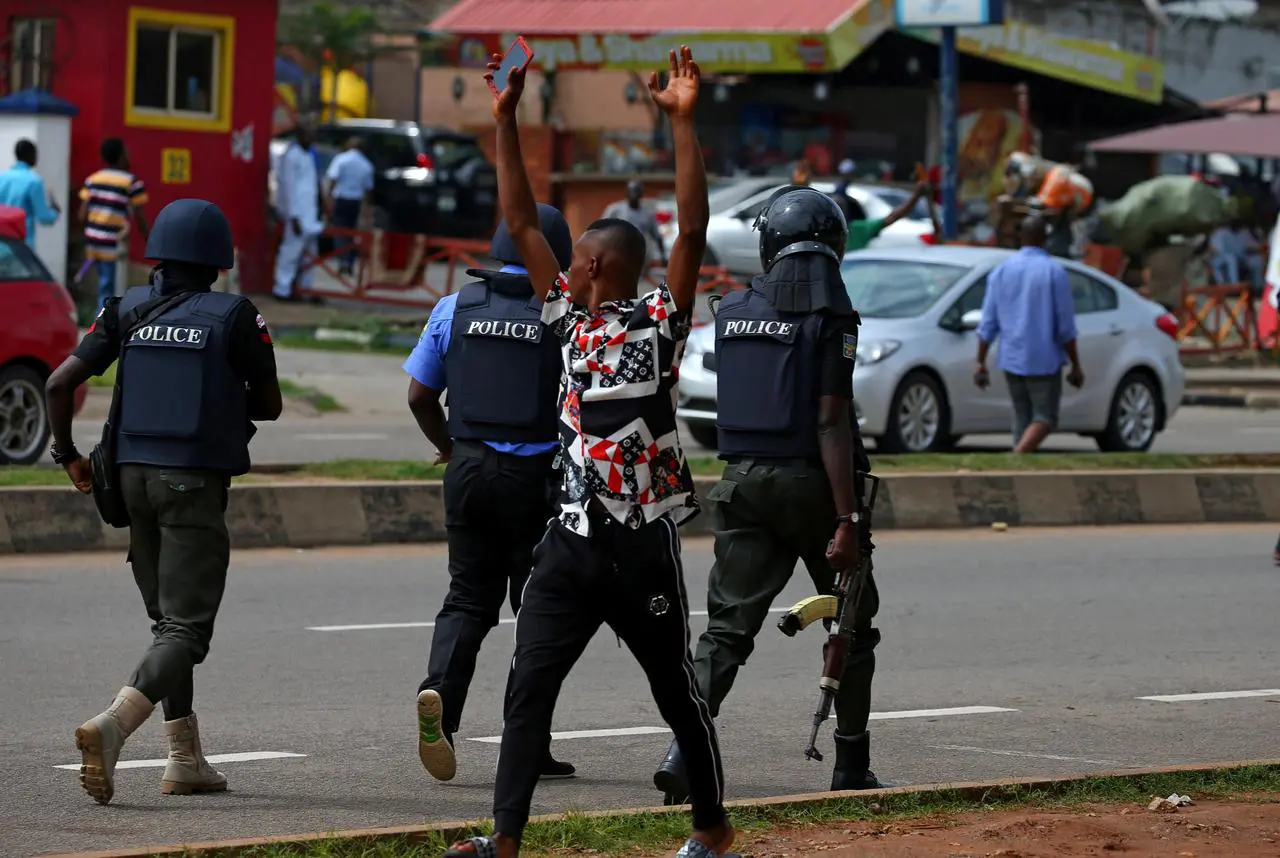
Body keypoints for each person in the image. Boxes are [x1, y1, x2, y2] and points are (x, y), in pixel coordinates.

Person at [442, 46, 733, 858]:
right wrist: (506, 122)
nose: (560, 266)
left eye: (573, 260)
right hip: (567, 543)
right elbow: (520, 220)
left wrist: (682, 124)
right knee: (528, 687)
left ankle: (711, 828)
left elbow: (694, 226)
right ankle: (504, 841)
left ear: (596, 265)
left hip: (641, 546)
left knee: (675, 690)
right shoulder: (568, 320)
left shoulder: (659, 324)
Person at [652, 184, 888, 803]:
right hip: (814, 487)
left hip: (742, 485)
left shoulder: (731, 312)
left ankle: (684, 753)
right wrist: (846, 518)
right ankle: (849, 764)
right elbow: (830, 422)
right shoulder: (832, 316)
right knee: (853, 625)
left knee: (726, 633)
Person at [43, 199, 283, 805]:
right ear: (217, 262)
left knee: (165, 624)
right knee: (186, 628)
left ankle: (184, 758)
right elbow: (270, 404)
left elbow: (58, 383)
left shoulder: (125, 308)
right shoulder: (235, 315)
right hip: (192, 484)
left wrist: (66, 454)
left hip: (126, 483)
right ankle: (114, 725)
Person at [403, 202, 577, 784]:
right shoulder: (565, 315)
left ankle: (440, 701)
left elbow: (419, 396)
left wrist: (451, 447)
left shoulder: (455, 306)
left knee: (467, 600)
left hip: (470, 471)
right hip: (537, 482)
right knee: (540, 613)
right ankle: (526, 743)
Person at [974, 215, 1084, 454]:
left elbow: (988, 322)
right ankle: (1018, 457)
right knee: (1045, 417)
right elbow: (1065, 325)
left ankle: (1019, 464)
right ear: (1044, 239)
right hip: (1043, 359)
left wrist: (980, 361)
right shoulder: (1054, 272)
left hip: (1012, 357)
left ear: (1020, 239)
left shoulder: (1001, 271)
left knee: (1022, 416)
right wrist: (1075, 364)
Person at [80, 138, 151, 313]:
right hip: (113, 241)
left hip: (93, 240)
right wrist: (148, 238)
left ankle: (103, 318)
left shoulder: (93, 179)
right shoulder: (131, 182)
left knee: (105, 283)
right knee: (109, 286)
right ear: (120, 156)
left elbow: (82, 213)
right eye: (126, 152)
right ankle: (102, 322)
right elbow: (139, 216)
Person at [274, 124, 322, 301]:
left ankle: (305, 289)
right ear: (300, 135)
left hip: (310, 212)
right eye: (308, 134)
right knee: (290, 252)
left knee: (310, 255)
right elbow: (288, 187)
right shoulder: (291, 156)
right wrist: (293, 216)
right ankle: (282, 289)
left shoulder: (309, 155)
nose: (311, 138)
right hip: (297, 215)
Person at [833, 179, 930, 253]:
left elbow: (894, 217)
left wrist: (916, 195)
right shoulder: (859, 229)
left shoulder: (859, 229)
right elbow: (894, 217)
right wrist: (916, 195)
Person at [324, 136, 375, 275]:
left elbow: (332, 179)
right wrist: (366, 209)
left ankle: (343, 259)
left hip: (341, 198)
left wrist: (328, 200)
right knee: (352, 231)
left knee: (339, 230)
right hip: (355, 201)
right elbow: (368, 189)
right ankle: (349, 261)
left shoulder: (341, 159)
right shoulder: (366, 164)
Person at [0, 139, 60, 250]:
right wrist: (55, 212)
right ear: (31, 155)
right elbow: (44, 217)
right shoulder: (34, 181)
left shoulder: (2, 177)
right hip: (21, 243)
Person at [603, 179, 668, 266]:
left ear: (641, 193)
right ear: (627, 192)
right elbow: (602, 228)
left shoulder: (647, 213)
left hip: (639, 253)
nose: (634, 194)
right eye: (631, 191)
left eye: (637, 191)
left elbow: (657, 236)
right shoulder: (615, 210)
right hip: (619, 251)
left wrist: (663, 255)